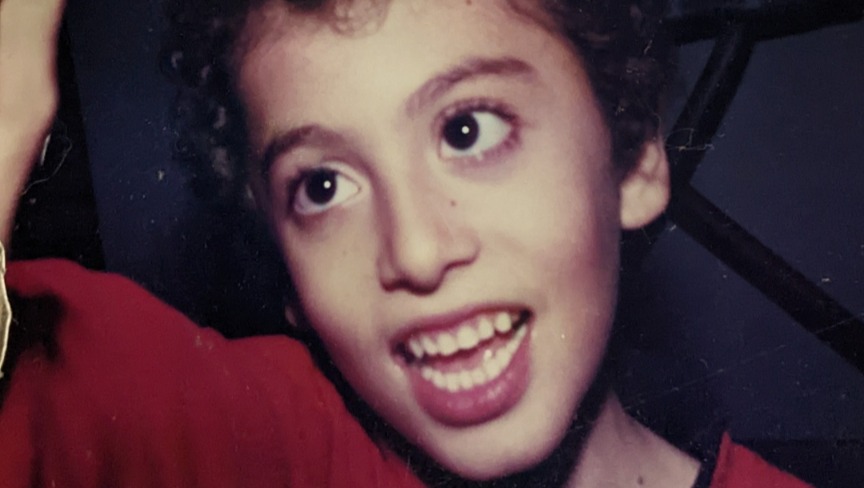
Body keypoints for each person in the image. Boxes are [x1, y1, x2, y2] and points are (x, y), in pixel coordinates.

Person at [0, 0, 811, 486]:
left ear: (631, 160)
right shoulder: (282, 454)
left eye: (468, 130)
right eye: (323, 187)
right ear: (287, 275)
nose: (416, 253)